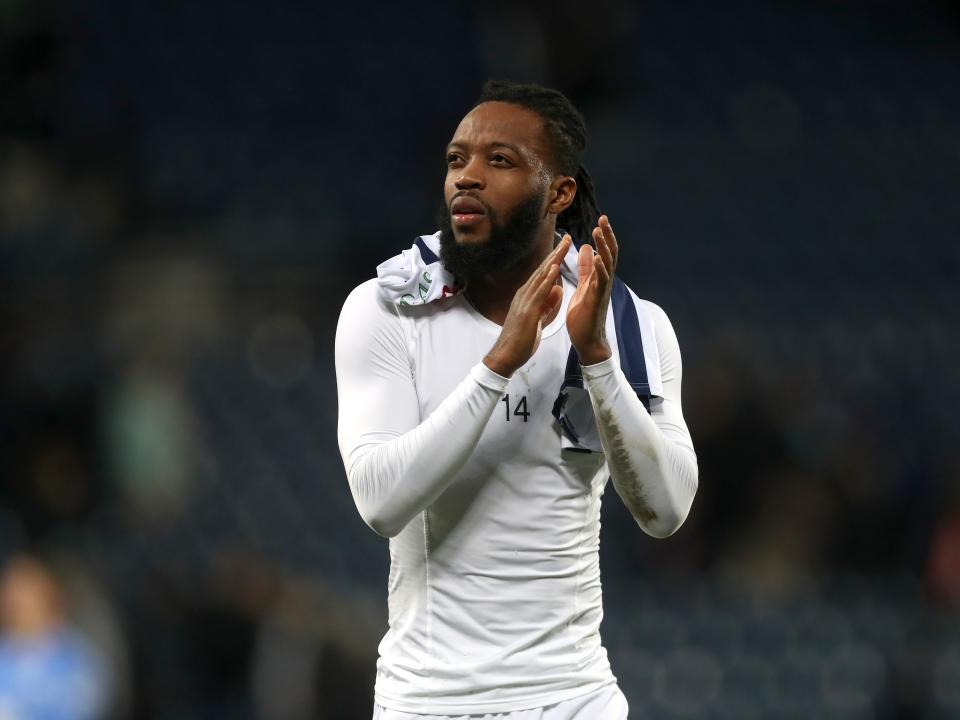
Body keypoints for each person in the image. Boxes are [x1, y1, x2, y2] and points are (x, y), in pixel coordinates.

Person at [335, 80, 698, 720]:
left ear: (558, 192)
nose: (466, 178)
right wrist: (499, 363)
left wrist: (598, 361)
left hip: (573, 696)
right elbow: (380, 502)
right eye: (455, 160)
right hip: (429, 701)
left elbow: (665, 511)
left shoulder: (629, 323)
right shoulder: (388, 309)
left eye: (498, 161)